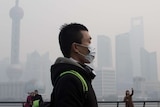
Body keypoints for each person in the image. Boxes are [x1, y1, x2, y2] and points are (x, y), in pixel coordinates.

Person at [50, 23, 98, 107]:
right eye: (88, 42)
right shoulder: (69, 80)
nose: (91, 47)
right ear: (76, 47)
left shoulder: (80, 75)